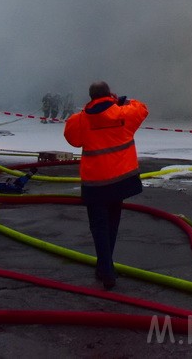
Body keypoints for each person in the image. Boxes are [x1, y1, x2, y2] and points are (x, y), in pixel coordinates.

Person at [63, 81, 148, 289]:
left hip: (95, 183)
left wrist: (86, 110)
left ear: (91, 97)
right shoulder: (123, 114)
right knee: (112, 224)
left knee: (99, 227)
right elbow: (142, 108)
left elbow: (71, 136)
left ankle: (106, 269)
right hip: (120, 180)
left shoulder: (82, 119)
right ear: (109, 94)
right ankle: (105, 266)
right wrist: (122, 101)